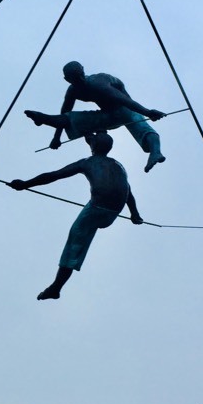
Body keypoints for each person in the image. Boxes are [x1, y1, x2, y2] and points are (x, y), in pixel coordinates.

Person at [9, 131, 143, 300]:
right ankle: (56, 287)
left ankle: (56, 287)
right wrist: (135, 214)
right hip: (114, 212)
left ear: (94, 145)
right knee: (81, 237)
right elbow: (128, 192)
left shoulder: (87, 162)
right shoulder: (118, 165)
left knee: (75, 241)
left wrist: (26, 184)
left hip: (97, 208)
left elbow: (54, 175)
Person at [24, 60, 167, 172]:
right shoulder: (73, 91)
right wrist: (56, 137)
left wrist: (147, 112)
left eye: (80, 77)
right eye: (75, 80)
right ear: (67, 80)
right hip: (107, 115)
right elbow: (65, 112)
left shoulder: (99, 83)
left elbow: (124, 100)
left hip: (125, 108)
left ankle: (156, 152)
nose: (79, 81)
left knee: (138, 123)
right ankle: (43, 118)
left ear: (83, 72)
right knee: (73, 118)